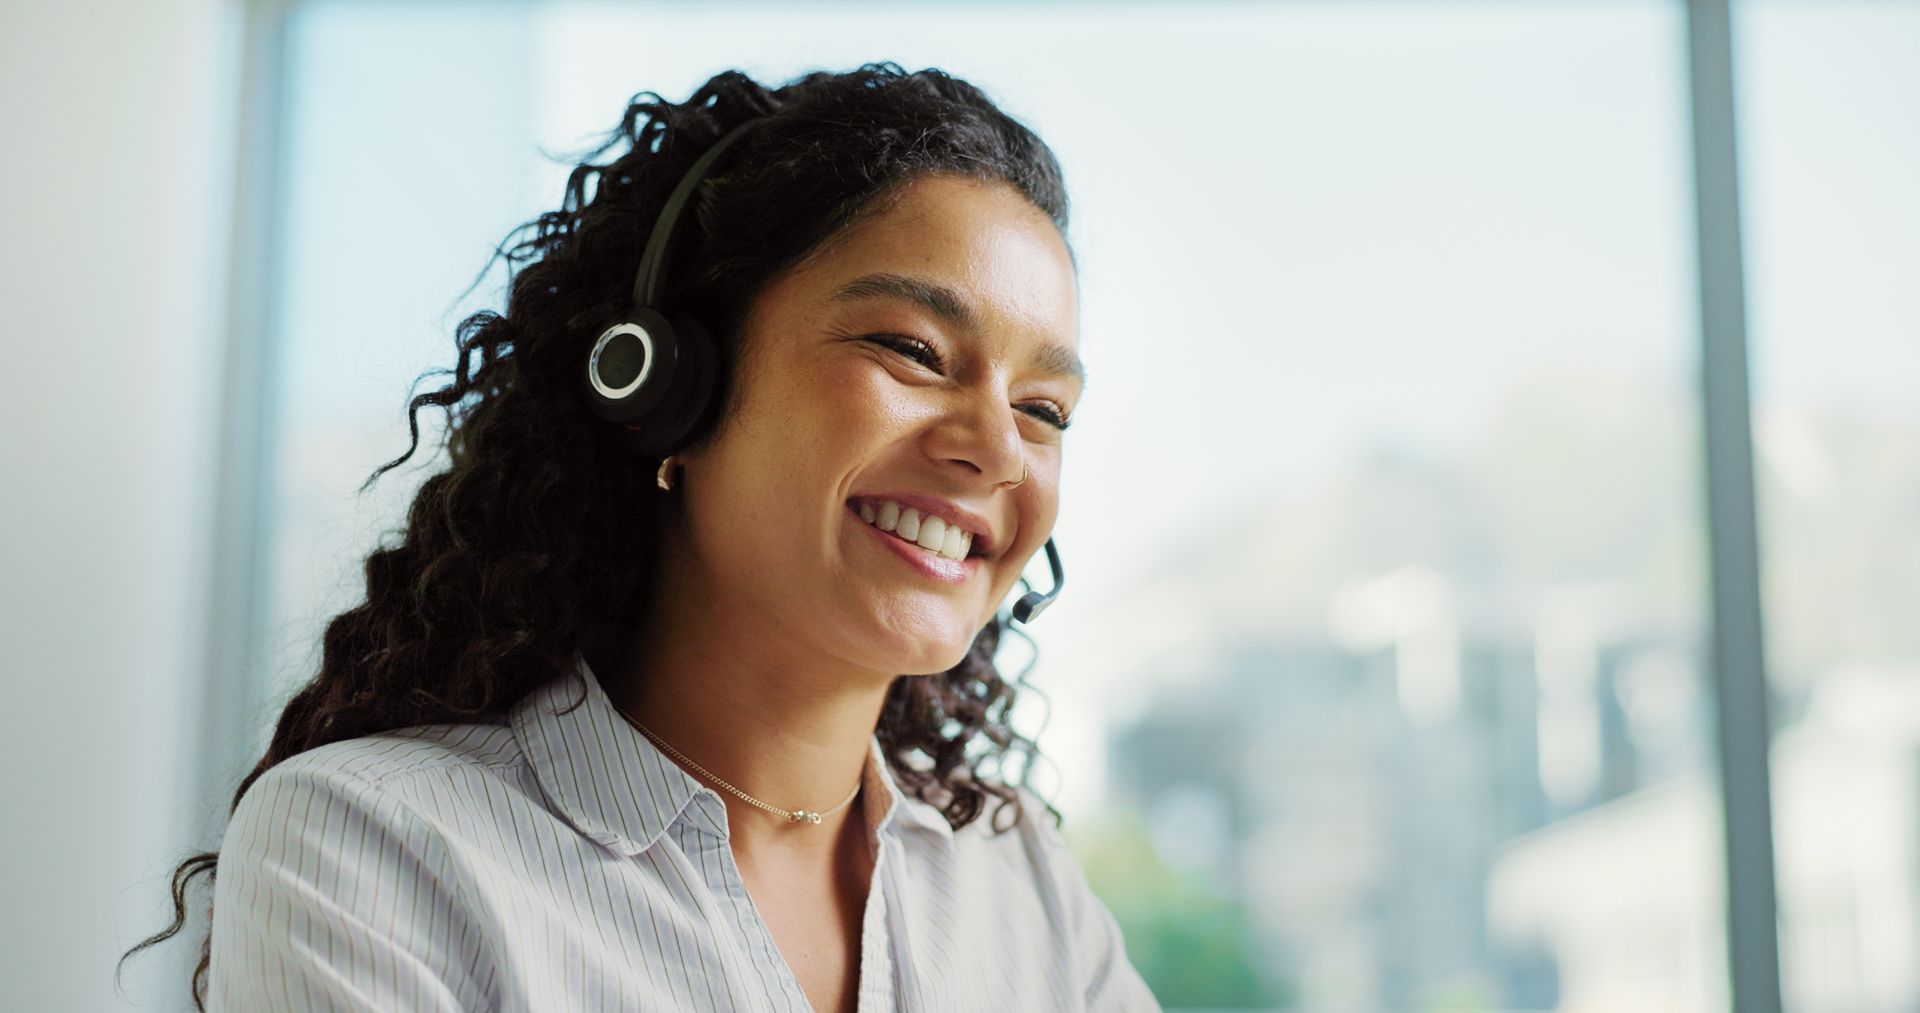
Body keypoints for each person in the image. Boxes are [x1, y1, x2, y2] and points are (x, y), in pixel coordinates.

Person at [122, 61, 1160, 1012]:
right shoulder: (378, 848)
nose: (995, 448)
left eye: (1045, 409)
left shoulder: (1013, 877)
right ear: (669, 385)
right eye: (913, 349)